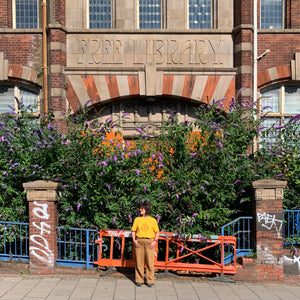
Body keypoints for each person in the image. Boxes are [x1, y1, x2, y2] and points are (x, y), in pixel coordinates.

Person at [131, 203, 159, 287]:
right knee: (139, 262)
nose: (140, 210)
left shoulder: (153, 220)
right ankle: (139, 280)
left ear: (146, 210)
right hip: (139, 241)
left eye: (142, 209)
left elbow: (157, 231)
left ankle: (150, 280)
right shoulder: (137, 219)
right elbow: (133, 231)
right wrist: (134, 240)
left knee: (150, 262)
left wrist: (155, 241)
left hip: (149, 241)